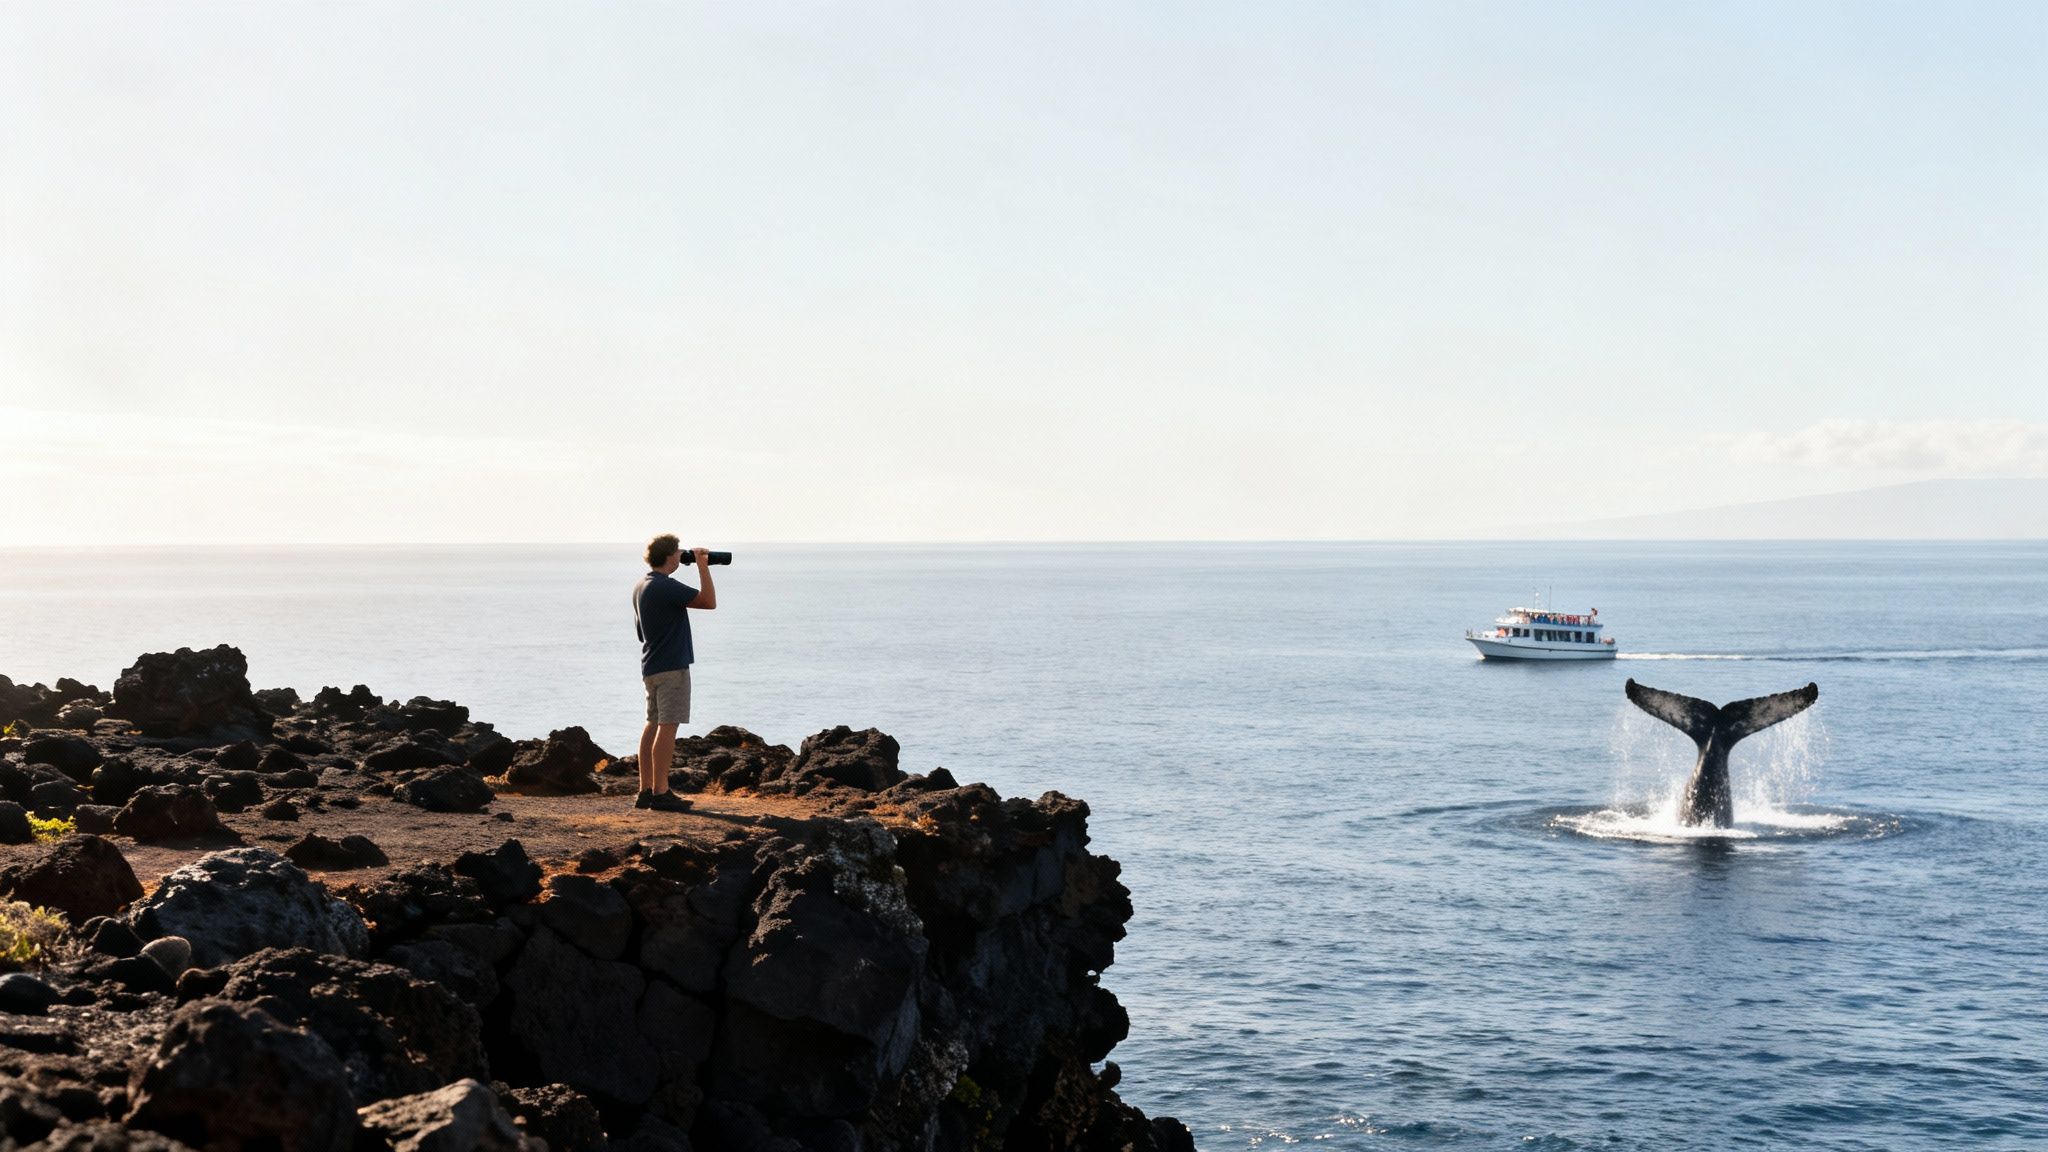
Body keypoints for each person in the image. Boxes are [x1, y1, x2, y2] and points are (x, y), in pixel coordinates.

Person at [632, 533, 716, 812]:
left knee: (652, 724)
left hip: (652, 665)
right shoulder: (664, 586)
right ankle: (661, 792)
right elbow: (708, 601)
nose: (681, 555)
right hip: (671, 668)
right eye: (678, 551)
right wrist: (703, 566)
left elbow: (641, 632)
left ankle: (645, 790)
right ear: (670, 556)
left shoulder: (641, 586)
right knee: (668, 727)